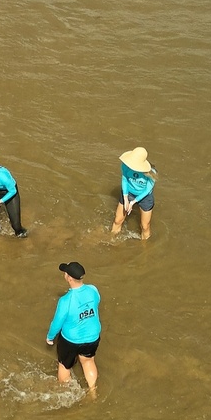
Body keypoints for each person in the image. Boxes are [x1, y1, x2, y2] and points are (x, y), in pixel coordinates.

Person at [47, 262, 101, 395]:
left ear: (68, 277)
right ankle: (93, 391)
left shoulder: (66, 300)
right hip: (93, 336)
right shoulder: (93, 289)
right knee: (88, 361)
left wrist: (50, 337)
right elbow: (96, 303)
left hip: (71, 340)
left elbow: (57, 323)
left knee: (65, 366)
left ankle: (67, 395)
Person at [110, 148, 156, 240]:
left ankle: (145, 249)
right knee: (117, 220)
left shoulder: (151, 173)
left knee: (145, 226)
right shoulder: (125, 165)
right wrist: (126, 198)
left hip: (145, 197)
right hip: (128, 193)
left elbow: (147, 190)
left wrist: (132, 202)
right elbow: (125, 180)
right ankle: (111, 239)